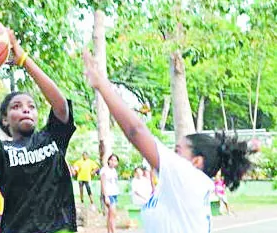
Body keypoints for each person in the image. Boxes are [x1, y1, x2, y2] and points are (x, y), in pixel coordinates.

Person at [82, 49, 258, 233]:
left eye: (178, 150)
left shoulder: (187, 176)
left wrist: (101, 84)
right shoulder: (180, 184)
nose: (171, 155)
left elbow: (136, 131)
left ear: (196, 161)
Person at [0, 29, 77, 233]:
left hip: (59, 228)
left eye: (31, 106)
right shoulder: (4, 152)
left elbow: (61, 106)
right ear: (5, 119)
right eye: (16, 106)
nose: (26, 109)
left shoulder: (51, 138)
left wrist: (23, 59)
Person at [100, 154, 119, 233]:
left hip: (114, 194)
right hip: (108, 195)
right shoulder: (104, 170)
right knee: (113, 214)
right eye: (111, 160)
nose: (113, 162)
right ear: (108, 161)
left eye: (115, 160)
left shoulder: (114, 171)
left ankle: (109, 231)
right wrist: (106, 196)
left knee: (110, 215)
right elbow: (103, 184)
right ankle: (114, 231)